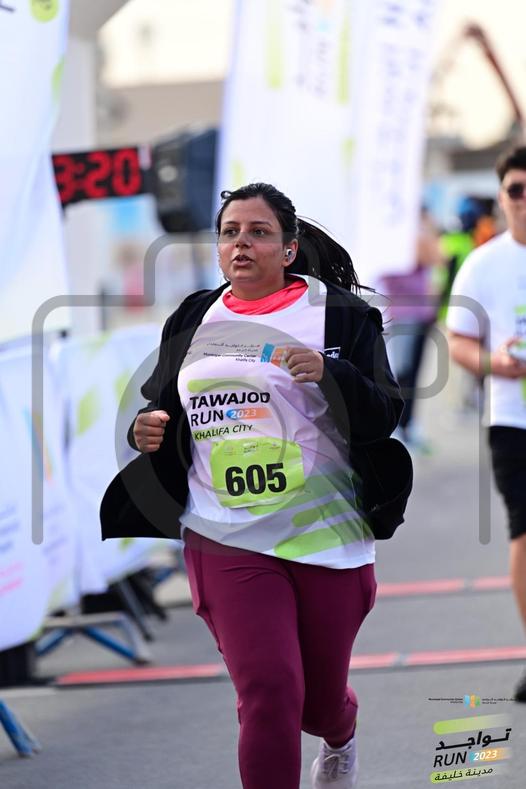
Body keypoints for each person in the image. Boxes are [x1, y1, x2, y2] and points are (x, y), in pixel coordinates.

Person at [101, 183, 411, 788]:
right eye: (230, 233)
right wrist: (147, 429)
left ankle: (341, 734)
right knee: (269, 691)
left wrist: (332, 373)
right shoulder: (194, 317)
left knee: (317, 706)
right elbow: (161, 407)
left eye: (258, 232)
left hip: (327, 534)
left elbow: (383, 416)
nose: (241, 243)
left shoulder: (337, 315)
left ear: (289, 249)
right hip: (225, 534)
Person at [447, 145, 526, 703]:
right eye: (516, 190)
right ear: (501, 198)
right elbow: (458, 341)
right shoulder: (482, 263)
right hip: (514, 418)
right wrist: (495, 363)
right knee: (525, 534)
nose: (524, 200)